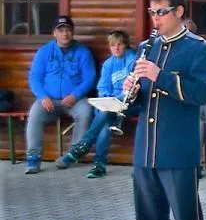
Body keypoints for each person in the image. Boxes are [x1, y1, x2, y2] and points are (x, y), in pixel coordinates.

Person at [121, 0, 206, 220]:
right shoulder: (147, 47)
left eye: (161, 12)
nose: (156, 19)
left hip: (177, 146)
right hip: (146, 146)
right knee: (148, 214)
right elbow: (141, 102)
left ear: (179, 12)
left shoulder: (198, 49)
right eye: (152, 13)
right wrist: (130, 93)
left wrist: (159, 76)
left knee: (186, 215)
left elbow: (200, 94)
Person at [55, 30, 136, 178]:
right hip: (113, 105)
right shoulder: (108, 64)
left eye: (119, 45)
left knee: (105, 114)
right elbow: (102, 87)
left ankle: (82, 150)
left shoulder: (132, 60)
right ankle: (98, 165)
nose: (116, 48)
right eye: (113, 45)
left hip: (132, 103)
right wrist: (106, 99)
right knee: (104, 117)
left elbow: (132, 88)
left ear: (126, 45)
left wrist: (115, 99)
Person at [24, 15, 96, 174]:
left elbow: (89, 78)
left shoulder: (83, 52)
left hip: (74, 100)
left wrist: (75, 95)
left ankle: (73, 153)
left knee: (86, 111)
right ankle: (34, 158)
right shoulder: (44, 51)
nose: (65, 34)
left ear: (73, 32)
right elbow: (34, 77)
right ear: (54, 33)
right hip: (49, 100)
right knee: (34, 114)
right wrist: (43, 97)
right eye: (61, 30)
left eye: (68, 30)